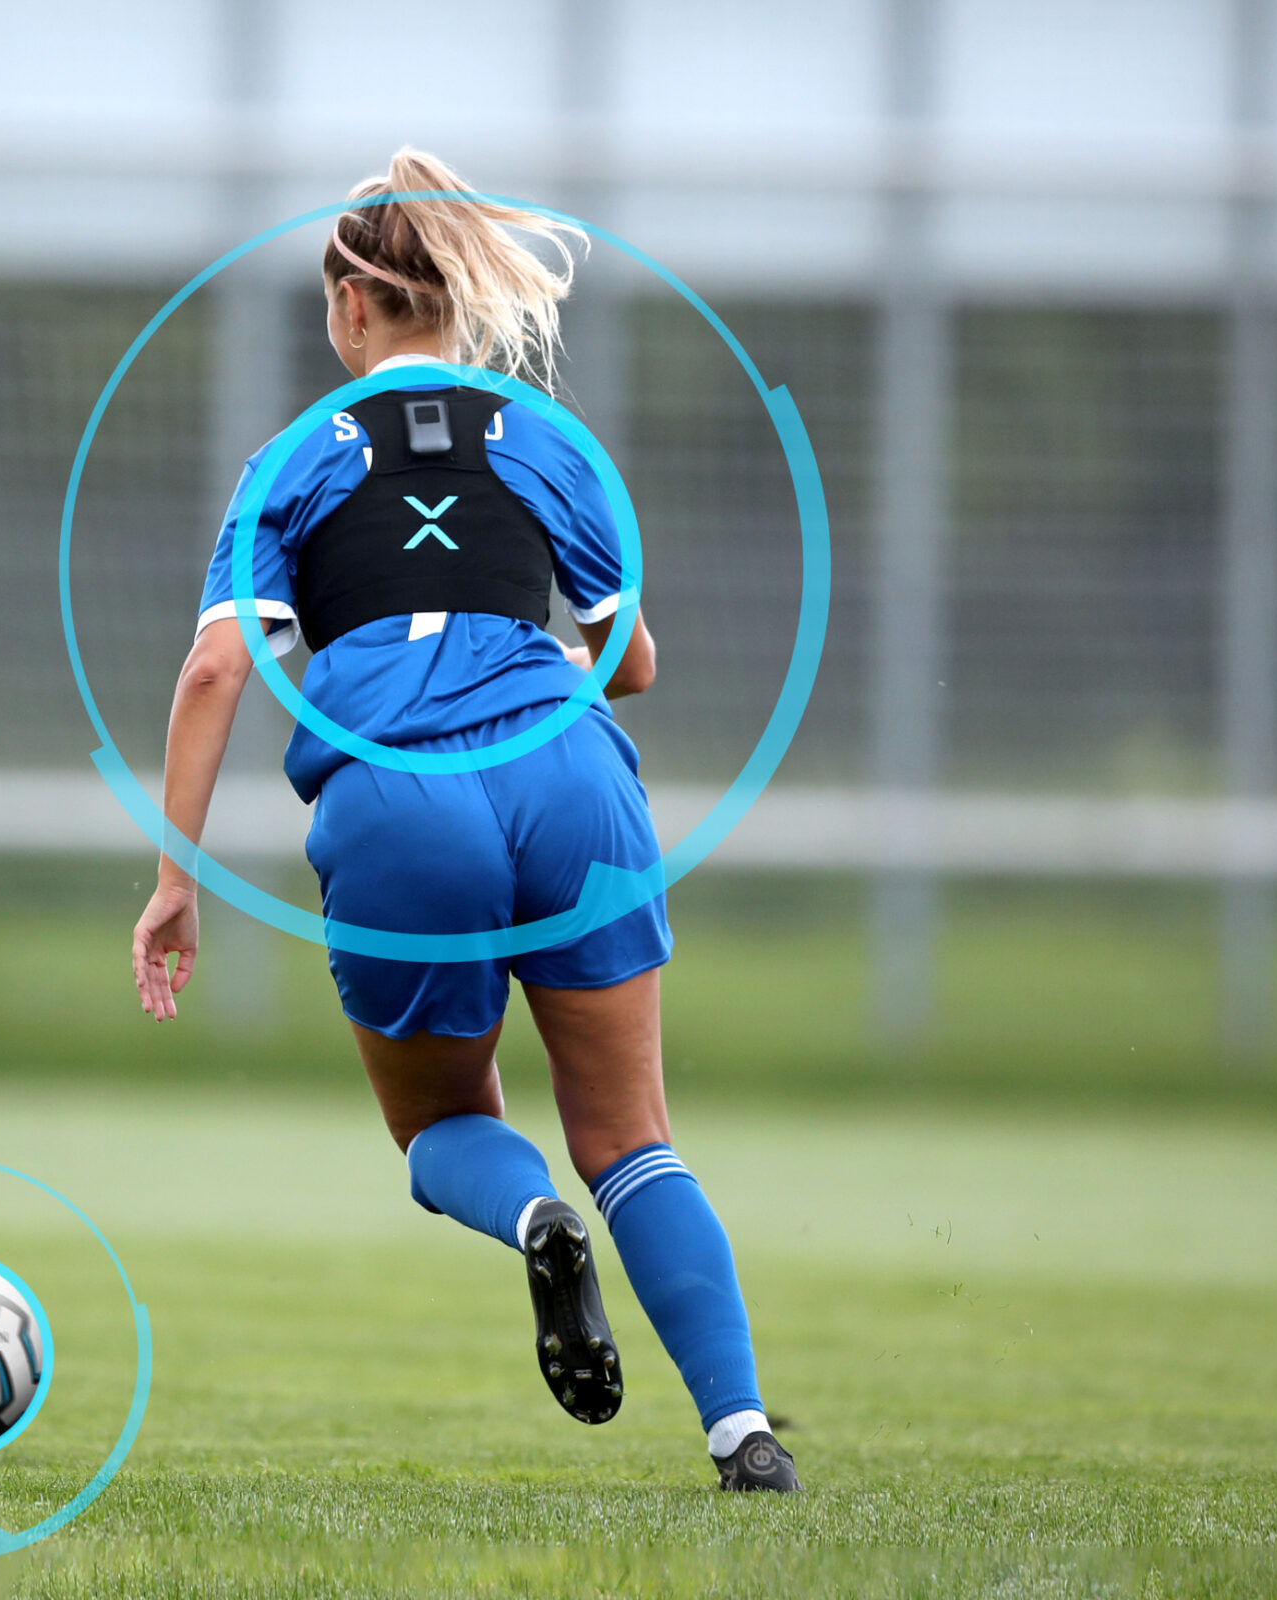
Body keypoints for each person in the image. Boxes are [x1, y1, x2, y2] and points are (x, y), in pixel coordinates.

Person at [128, 148, 798, 1494]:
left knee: (441, 1128)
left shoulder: (290, 463)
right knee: (634, 1135)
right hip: (572, 779)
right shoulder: (547, 439)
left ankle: (532, 1215)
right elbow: (637, 661)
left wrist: (175, 879)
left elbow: (216, 669)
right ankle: (743, 1437)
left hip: (399, 794)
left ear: (349, 306)